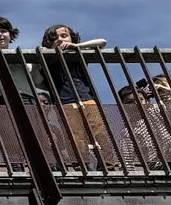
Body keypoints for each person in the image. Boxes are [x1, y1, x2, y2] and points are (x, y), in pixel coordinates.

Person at [29, 23, 110, 169]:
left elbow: (102, 42)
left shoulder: (79, 53)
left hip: (87, 98)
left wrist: (76, 46)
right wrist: (38, 59)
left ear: (72, 37)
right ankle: (81, 165)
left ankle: (107, 164)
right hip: (65, 101)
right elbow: (37, 82)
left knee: (99, 131)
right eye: (55, 38)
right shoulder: (50, 61)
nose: (60, 39)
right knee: (75, 134)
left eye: (64, 35)